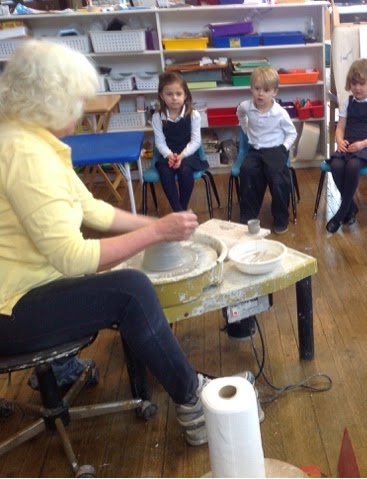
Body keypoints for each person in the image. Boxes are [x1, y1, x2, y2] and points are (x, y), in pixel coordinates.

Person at [0, 40, 262, 448]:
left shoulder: (28, 139)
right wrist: (155, 234)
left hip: (24, 288)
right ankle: (194, 402)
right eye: (76, 101)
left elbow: (90, 208)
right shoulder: (25, 155)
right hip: (11, 310)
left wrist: (156, 224)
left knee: (124, 270)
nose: (81, 111)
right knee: (131, 289)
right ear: (49, 101)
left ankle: (61, 367)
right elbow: (73, 259)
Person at [326, 58, 367, 234]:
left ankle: (341, 213)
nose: (357, 88)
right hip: (349, 147)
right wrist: (339, 141)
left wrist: (363, 144)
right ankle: (351, 207)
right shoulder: (348, 102)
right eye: (354, 84)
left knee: (353, 166)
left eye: (362, 84)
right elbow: (340, 128)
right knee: (336, 165)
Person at [236, 66, 297, 235]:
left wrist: (283, 148)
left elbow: (292, 133)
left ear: (275, 92)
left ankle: (280, 217)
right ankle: (248, 217)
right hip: (256, 150)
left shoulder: (280, 113)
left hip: (276, 150)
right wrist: (246, 130)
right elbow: (240, 114)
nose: (260, 94)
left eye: (266, 90)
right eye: (257, 89)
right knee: (247, 172)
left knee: (278, 179)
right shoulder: (246, 106)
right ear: (251, 89)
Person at [151, 72, 208, 213]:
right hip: (167, 155)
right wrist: (169, 156)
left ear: (185, 95)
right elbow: (159, 142)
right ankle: (179, 212)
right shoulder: (157, 117)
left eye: (178, 94)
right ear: (161, 96)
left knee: (185, 170)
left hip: (188, 154)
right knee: (165, 172)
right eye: (169, 94)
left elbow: (196, 141)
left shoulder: (193, 115)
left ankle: (181, 209)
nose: (174, 98)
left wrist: (181, 156)